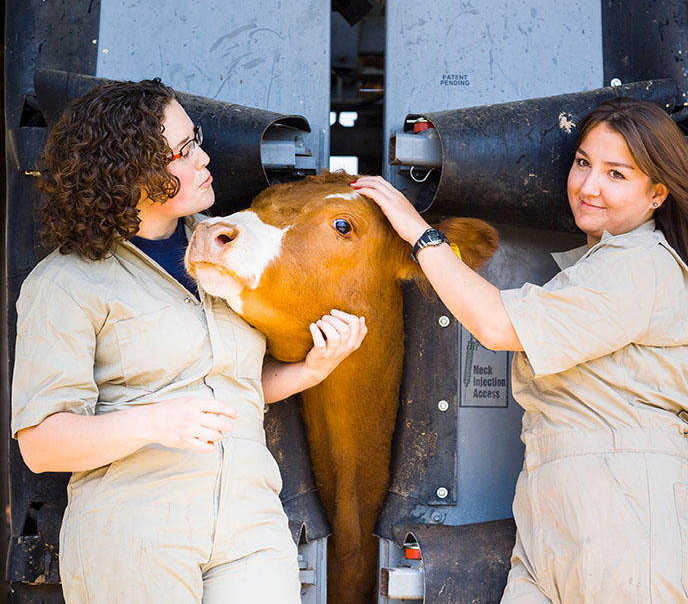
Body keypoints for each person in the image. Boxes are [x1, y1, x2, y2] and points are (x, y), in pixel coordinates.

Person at [11, 78, 367, 603]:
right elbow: (41, 445)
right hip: (136, 533)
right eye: (183, 150)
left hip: (251, 526)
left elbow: (234, 388)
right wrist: (154, 420)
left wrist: (312, 369)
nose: (203, 157)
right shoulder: (64, 283)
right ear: (130, 171)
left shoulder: (227, 243)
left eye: (194, 137)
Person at [352, 97, 688, 603]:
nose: (588, 186)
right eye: (582, 163)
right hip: (555, 505)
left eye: (617, 174)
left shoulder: (641, 266)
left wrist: (419, 234)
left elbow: (495, 323)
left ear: (657, 193)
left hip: (624, 510)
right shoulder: (604, 265)